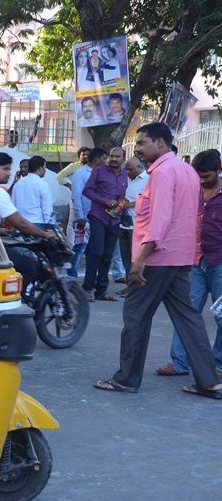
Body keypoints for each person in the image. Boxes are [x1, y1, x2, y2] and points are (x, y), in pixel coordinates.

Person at [94, 123, 222, 399]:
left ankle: (126, 379)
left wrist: (139, 260)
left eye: (141, 143)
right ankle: (209, 381)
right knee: (188, 318)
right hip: (180, 256)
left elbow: (160, 218)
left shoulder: (163, 172)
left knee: (136, 317)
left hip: (157, 257)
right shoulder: (186, 170)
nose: (137, 149)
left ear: (160, 143)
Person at [157, 149, 222, 377]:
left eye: (206, 176)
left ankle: (219, 364)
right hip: (193, 260)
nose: (201, 180)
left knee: (221, 314)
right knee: (187, 312)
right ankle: (180, 363)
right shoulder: (191, 192)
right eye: (198, 175)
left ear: (219, 171)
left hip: (219, 262)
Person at [0, 152, 56, 282]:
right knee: (29, 266)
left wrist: (1, 230)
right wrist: (46, 234)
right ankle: (18, 300)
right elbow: (21, 224)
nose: (9, 173)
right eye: (5, 169)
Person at [82, 147, 127, 301]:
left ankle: (101, 291)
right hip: (98, 217)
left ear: (123, 159)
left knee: (107, 256)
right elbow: (87, 191)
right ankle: (87, 288)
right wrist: (104, 200)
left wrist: (124, 211)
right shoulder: (99, 171)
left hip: (115, 219)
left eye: (117, 156)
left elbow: (122, 196)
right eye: (111, 156)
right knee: (96, 252)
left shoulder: (124, 175)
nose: (114, 159)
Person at [68, 148, 105, 278]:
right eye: (104, 158)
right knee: (79, 248)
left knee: (94, 250)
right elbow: (76, 196)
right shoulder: (81, 173)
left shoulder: (102, 173)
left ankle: (90, 279)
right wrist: (80, 217)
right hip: (84, 217)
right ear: (96, 159)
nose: (106, 161)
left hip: (98, 217)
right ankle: (71, 277)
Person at [117, 156, 148, 295]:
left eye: (130, 169)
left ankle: (137, 288)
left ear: (139, 167)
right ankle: (130, 285)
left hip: (137, 225)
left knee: (135, 257)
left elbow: (150, 199)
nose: (127, 171)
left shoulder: (147, 179)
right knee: (125, 256)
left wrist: (131, 204)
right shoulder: (128, 179)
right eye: (126, 169)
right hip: (124, 223)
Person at [11, 156, 53, 224]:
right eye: (44, 167)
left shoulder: (17, 184)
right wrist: (49, 228)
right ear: (40, 168)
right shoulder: (42, 184)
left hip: (20, 226)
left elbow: (13, 207)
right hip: (37, 226)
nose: (45, 170)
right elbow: (47, 210)